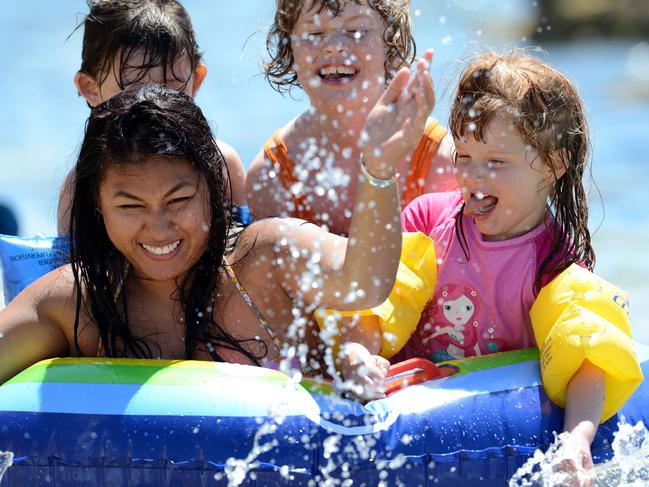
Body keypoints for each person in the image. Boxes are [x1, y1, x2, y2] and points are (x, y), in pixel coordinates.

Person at [0, 40, 436, 396]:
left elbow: (365, 283)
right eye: (131, 206)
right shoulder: (77, 303)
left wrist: (378, 169)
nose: (158, 228)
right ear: (98, 205)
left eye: (179, 200)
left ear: (213, 188)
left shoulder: (265, 260)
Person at [323, 50, 643, 482]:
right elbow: (376, 302)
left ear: (553, 165)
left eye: (496, 162)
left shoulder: (555, 261)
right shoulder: (428, 221)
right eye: (464, 157)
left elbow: (587, 355)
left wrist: (576, 438)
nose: (474, 177)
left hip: (497, 432)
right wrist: (357, 353)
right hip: (409, 420)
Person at [245, 0, 457, 236]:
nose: (334, 47)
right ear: (289, 48)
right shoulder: (272, 177)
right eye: (314, 33)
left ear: (391, 43)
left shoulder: (437, 160)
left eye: (356, 31)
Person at [57, 0, 248, 235]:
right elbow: (71, 269)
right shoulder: (80, 185)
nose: (155, 104)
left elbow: (244, 255)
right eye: (134, 90)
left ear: (195, 81)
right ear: (90, 88)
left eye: (171, 89)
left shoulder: (222, 164)